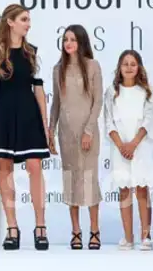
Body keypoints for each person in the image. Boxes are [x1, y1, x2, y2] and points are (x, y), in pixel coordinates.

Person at [0, 4, 51, 251]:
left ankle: (40, 226)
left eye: (28, 20)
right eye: (24, 19)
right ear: (10, 22)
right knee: (4, 167)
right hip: (3, 113)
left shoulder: (33, 53)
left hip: (29, 112)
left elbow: (39, 90)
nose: (28, 24)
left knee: (35, 167)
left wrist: (45, 125)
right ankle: (12, 227)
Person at [49, 25, 103, 250]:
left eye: (72, 39)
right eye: (65, 40)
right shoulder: (58, 69)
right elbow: (56, 103)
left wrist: (88, 131)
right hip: (66, 134)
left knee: (89, 180)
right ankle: (76, 231)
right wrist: (51, 131)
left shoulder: (92, 66)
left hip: (87, 132)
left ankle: (95, 230)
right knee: (70, 180)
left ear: (81, 42)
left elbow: (97, 101)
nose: (68, 43)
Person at [103, 50, 153, 251]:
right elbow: (109, 121)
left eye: (133, 64)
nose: (128, 67)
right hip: (120, 148)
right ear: (119, 67)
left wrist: (133, 144)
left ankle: (146, 235)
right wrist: (121, 146)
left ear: (139, 67)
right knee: (124, 189)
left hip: (140, 147)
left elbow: (148, 120)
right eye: (125, 64)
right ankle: (128, 236)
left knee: (142, 188)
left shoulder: (146, 92)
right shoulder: (112, 92)